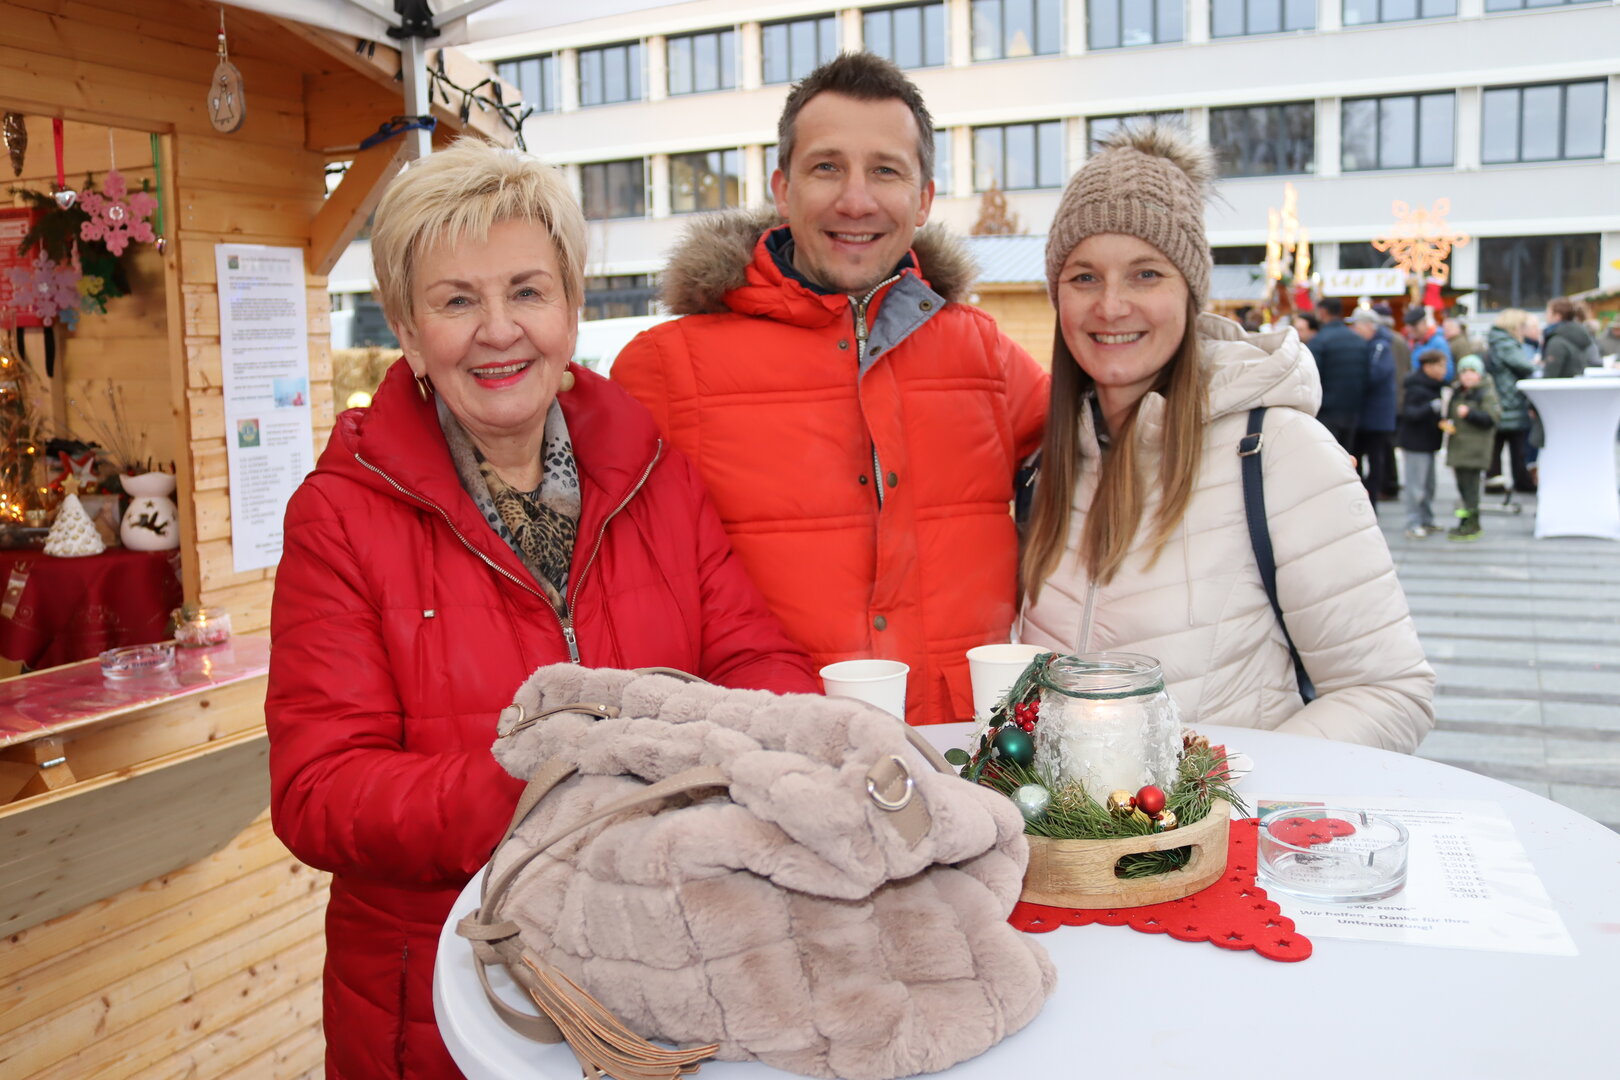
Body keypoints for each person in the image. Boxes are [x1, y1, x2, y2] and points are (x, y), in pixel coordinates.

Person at [265, 142, 820, 1079]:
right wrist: (551, 786)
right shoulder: (341, 516)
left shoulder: (653, 476)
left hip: (662, 974)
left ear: (570, 307)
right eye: (456, 301)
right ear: (407, 330)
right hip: (448, 992)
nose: (498, 330)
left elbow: (761, 665)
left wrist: (707, 758)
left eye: (527, 291)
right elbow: (319, 790)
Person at [612, 53, 1049, 725]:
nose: (856, 200)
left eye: (886, 170)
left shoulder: (985, 356)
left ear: (924, 198)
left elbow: (1123, 440)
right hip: (773, 757)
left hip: (961, 752)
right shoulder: (668, 369)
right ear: (782, 189)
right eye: (827, 167)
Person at [1017, 123, 1434, 752]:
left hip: (1227, 815)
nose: (1111, 305)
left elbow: (1389, 691)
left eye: (1145, 274)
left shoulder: (1278, 451)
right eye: (1083, 277)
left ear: (1191, 292)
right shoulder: (1047, 464)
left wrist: (1227, 789)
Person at [1441, 355, 1501, 542]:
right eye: (1464, 372)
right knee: (1462, 486)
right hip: (1459, 445)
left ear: (1479, 374)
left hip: (1475, 448)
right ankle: (1464, 521)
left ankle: (1473, 524)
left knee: (1471, 488)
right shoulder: (1458, 391)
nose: (1467, 376)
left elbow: (1491, 419)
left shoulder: (1486, 392)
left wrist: (1470, 414)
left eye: (1472, 371)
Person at [1482, 308, 1538, 495]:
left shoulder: (1497, 341)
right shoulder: (1507, 344)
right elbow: (1525, 366)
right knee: (1517, 446)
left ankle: (1494, 481)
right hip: (1509, 401)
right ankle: (1519, 481)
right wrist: (1536, 364)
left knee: (1497, 444)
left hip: (1500, 399)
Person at [1306, 297, 1371, 455]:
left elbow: (1312, 376)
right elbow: (1366, 375)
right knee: (1348, 455)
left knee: (1328, 455)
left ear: (1323, 312)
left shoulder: (1319, 341)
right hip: (1353, 408)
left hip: (1326, 410)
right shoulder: (1358, 340)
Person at [1395, 350, 1449, 539]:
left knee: (1429, 486)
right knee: (1416, 487)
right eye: (1441, 366)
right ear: (1428, 366)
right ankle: (1413, 523)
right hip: (1416, 443)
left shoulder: (1436, 386)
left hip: (1430, 442)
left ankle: (1427, 519)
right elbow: (1410, 413)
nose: (1444, 370)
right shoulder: (1415, 386)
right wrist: (1430, 408)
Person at [1348, 307, 1397, 503]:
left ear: (1368, 326)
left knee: (1375, 460)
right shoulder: (1371, 345)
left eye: (1356, 325)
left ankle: (1371, 502)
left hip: (1376, 416)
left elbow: (1374, 375)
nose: (1354, 330)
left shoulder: (1379, 347)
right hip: (1366, 414)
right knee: (1359, 459)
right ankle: (1362, 500)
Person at [1541, 296, 1598, 379]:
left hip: (1561, 385)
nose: (1545, 316)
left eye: (1547, 312)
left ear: (1557, 316)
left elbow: (1550, 375)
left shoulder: (1557, 341)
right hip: (1574, 384)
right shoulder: (1575, 334)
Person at [1408, 306, 1454, 380]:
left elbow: (1447, 372)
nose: (1410, 330)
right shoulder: (1414, 343)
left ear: (1424, 323)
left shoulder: (1438, 342)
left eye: (1414, 326)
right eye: (1409, 326)